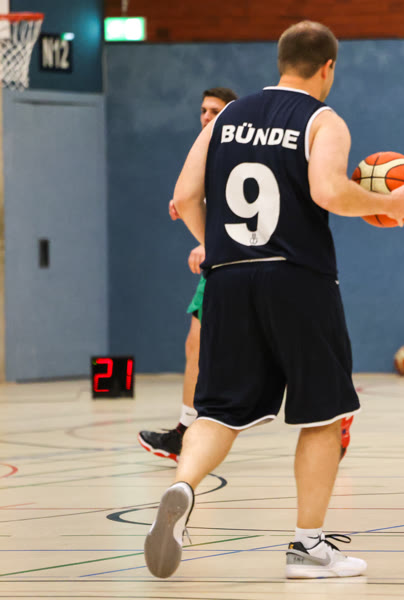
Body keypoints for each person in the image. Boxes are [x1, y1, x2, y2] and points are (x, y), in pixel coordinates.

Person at [143, 21, 404, 580]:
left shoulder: (225, 117)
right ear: (328, 67)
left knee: (217, 412)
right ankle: (307, 547)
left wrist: (214, 246)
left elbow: (184, 195)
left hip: (228, 279)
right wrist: (385, 202)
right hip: (297, 278)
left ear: (281, 60)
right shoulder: (323, 120)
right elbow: (327, 190)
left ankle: (183, 486)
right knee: (323, 414)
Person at [138, 87, 238, 463]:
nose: (207, 116)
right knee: (196, 343)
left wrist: (208, 242)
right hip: (221, 263)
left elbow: (236, 209)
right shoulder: (206, 153)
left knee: (272, 350)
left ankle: (334, 416)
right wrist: (191, 206)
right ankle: (185, 430)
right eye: (203, 110)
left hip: (239, 260)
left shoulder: (234, 152)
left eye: (216, 110)